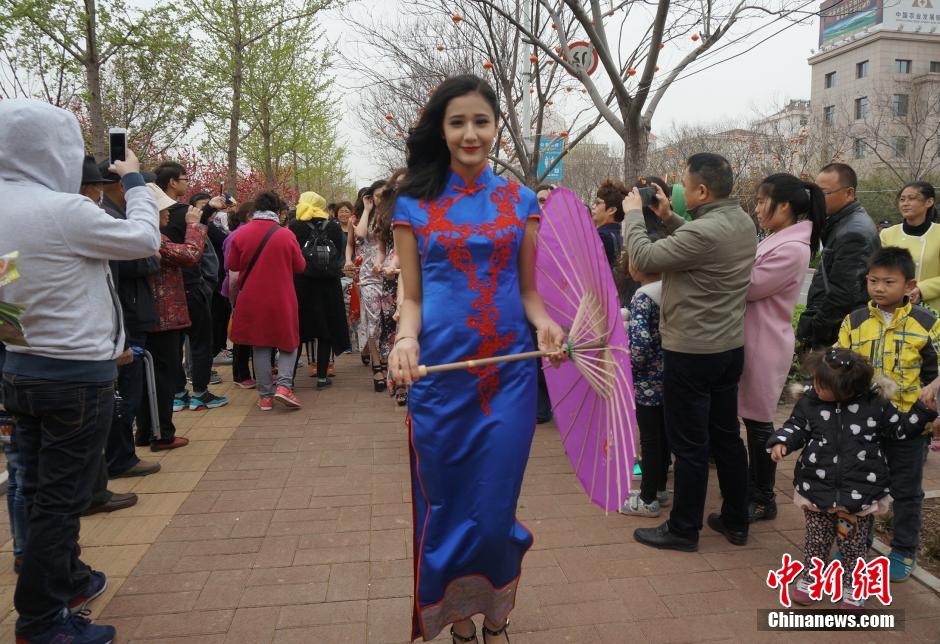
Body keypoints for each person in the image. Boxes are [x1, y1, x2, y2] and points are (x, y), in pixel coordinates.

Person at [388, 74, 565, 644]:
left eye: (481, 121)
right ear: (441, 129)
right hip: (437, 376)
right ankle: (460, 622)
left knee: (492, 508)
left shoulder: (521, 201)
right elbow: (412, 298)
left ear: (495, 128)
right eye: (457, 121)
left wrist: (545, 324)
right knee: (447, 507)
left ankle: (497, 613)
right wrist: (403, 340)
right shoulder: (412, 203)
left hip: (508, 375)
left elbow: (530, 292)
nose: (470, 133)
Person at [0, 98, 161, 643]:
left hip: (19, 368)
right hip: (74, 376)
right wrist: (135, 180)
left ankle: (69, 578)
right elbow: (143, 240)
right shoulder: (62, 210)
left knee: (35, 483)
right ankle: (43, 620)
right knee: (59, 504)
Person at [623, 152, 756, 552]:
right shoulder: (741, 222)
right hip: (728, 348)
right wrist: (667, 216)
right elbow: (699, 246)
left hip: (692, 352)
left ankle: (683, 529)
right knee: (727, 437)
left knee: (689, 444)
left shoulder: (704, 232)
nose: (678, 190)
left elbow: (644, 258)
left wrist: (633, 215)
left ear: (702, 189)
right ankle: (736, 518)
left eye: (684, 184)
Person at [767, 348, 919, 608]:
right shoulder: (810, 401)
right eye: (815, 380)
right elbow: (796, 427)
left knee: (853, 547)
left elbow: (900, 429)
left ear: (847, 390)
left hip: (859, 491)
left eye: (822, 384)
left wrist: (924, 414)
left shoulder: (875, 405)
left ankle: (854, 586)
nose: (814, 386)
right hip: (817, 486)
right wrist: (782, 441)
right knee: (816, 539)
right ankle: (812, 577)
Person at [835, 246, 940, 582]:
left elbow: (938, 371)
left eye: (888, 282)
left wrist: (933, 402)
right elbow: (840, 366)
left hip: (910, 427)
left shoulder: (928, 323)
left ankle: (903, 550)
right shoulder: (855, 321)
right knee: (858, 488)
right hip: (863, 425)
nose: (879, 288)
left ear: (909, 284)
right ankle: (855, 545)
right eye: (873, 281)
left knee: (907, 491)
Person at [738, 173, 825, 522]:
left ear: (784, 205)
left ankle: (763, 498)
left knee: (759, 422)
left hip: (764, 344)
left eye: (761, 201)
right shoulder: (779, 239)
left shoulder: (791, 248)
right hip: (755, 339)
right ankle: (753, 489)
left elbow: (748, 286)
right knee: (751, 419)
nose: (758, 208)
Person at [96, 160, 163, 479]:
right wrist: (151, 258)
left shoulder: (109, 215)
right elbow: (135, 258)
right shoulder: (106, 218)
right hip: (126, 315)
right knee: (124, 391)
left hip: (129, 312)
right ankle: (119, 458)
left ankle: (120, 455)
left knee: (125, 391)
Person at [136, 183, 207, 452]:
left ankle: (145, 430)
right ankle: (162, 433)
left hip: (151, 316)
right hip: (164, 317)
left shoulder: (144, 236)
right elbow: (190, 254)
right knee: (162, 377)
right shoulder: (154, 238)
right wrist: (193, 225)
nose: (168, 215)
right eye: (163, 210)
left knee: (148, 377)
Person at [155, 161, 228, 412]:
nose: (187, 182)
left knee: (172, 344)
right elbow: (191, 248)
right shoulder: (179, 212)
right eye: (184, 178)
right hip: (190, 284)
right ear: (172, 182)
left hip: (165, 289)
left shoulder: (150, 213)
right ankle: (200, 392)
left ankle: (177, 393)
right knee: (200, 341)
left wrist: (208, 209)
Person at [227, 191, 306, 411]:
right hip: (281, 296)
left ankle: (265, 397)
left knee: (260, 345)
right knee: (288, 342)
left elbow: (233, 265)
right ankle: (283, 386)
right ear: (277, 211)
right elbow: (300, 266)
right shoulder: (286, 235)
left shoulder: (240, 234)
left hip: (251, 298)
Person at [797, 163, 879, 351]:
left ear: (849, 193)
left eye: (823, 193)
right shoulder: (842, 223)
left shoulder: (854, 232)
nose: (816, 199)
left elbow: (842, 295)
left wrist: (815, 332)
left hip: (836, 335)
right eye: (814, 193)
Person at [619, 254, 671, 517]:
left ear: (636, 265)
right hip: (670, 376)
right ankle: (660, 489)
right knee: (662, 437)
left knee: (649, 440)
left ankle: (648, 497)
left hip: (647, 381)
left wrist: (627, 369)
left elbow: (638, 346)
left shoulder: (642, 296)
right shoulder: (670, 289)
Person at [289, 191, 350, 390]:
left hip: (302, 285)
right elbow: (339, 253)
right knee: (325, 331)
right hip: (328, 285)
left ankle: (287, 380)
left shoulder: (294, 227)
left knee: (298, 333)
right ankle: (322, 377)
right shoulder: (333, 226)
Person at [347, 180, 388, 391]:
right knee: (372, 320)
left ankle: (388, 360)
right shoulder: (367, 217)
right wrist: (368, 208)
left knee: (388, 320)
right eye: (377, 196)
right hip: (369, 276)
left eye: (384, 195)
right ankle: (377, 365)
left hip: (391, 274)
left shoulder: (393, 216)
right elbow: (360, 234)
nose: (381, 199)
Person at [879, 181, 940, 309]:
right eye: (902, 199)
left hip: (932, 309)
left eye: (911, 198)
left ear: (929, 202)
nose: (905, 203)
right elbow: (880, 271)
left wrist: (921, 289)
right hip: (894, 307)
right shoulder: (887, 234)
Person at [223, 202, 256, 388]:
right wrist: (234, 299)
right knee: (240, 334)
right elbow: (232, 270)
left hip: (239, 290)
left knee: (243, 332)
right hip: (238, 291)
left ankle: (243, 374)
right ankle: (241, 375)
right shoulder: (239, 235)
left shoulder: (241, 233)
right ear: (250, 216)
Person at [590, 179, 626, 271]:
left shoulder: (602, 237)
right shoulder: (615, 234)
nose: (593, 206)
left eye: (598, 203)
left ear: (612, 210)